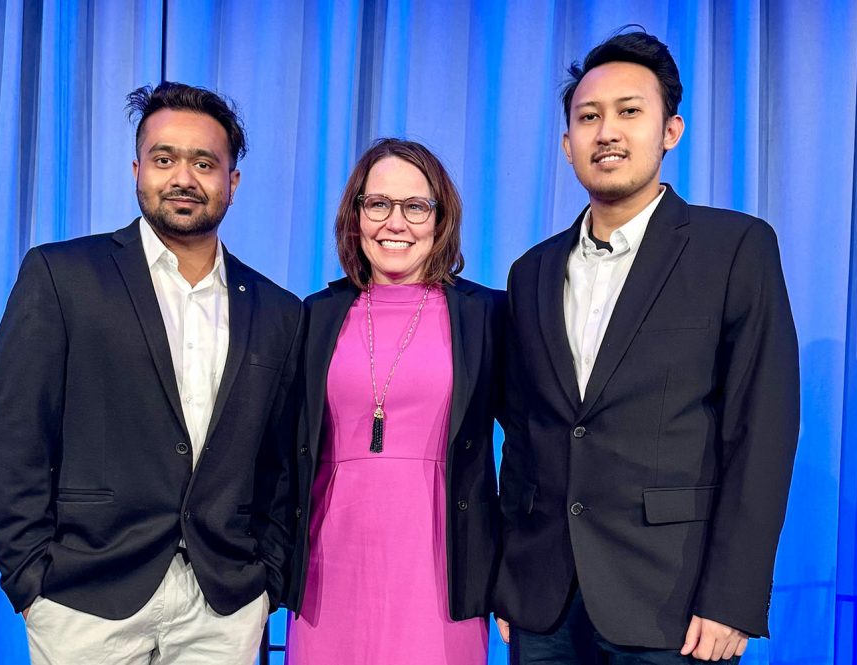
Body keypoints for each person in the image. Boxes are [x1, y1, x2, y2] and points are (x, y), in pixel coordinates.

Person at [493, 28, 800, 663]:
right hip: (543, 600)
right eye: (588, 117)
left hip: (674, 600)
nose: (607, 131)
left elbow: (761, 430)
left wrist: (732, 599)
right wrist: (509, 580)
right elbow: (525, 435)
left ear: (670, 131)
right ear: (566, 143)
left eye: (630, 112)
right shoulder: (532, 271)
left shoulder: (733, 248)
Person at [0, 82, 302, 664]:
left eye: (205, 163)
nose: (184, 177)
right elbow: (15, 433)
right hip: (84, 596)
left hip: (223, 604)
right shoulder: (62, 275)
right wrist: (29, 577)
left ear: (232, 181)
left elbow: (280, 463)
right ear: (137, 169)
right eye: (164, 159)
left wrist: (268, 580)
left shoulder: (279, 311)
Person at [284, 139, 504, 664]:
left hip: (441, 565)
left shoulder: (486, 315)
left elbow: (531, 447)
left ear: (440, 218)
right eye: (378, 204)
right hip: (328, 566)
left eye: (415, 207)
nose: (395, 223)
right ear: (356, 215)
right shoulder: (313, 315)